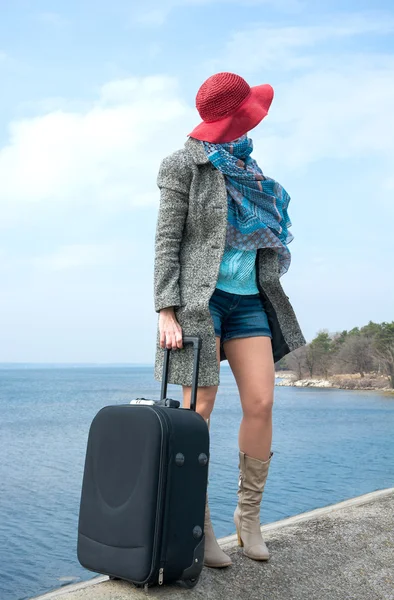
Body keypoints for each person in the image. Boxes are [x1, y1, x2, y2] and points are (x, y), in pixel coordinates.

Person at [153, 72, 306, 568]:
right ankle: (202, 525)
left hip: (249, 301)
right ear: (228, 116)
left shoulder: (250, 167)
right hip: (203, 302)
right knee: (199, 411)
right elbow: (166, 240)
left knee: (261, 401)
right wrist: (166, 310)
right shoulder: (183, 165)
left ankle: (249, 518)